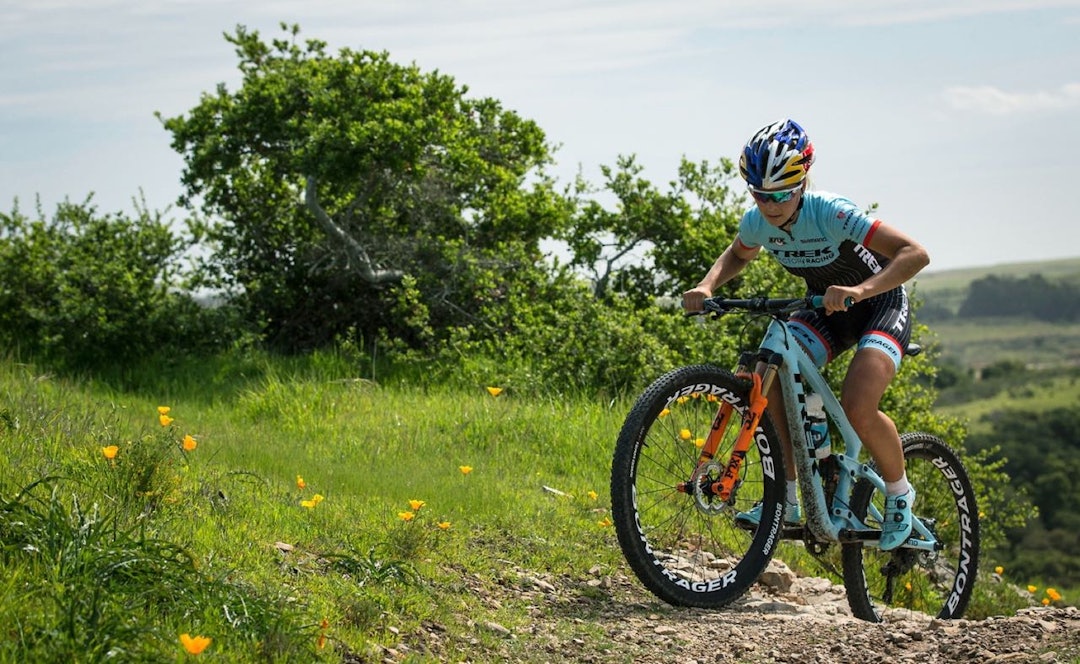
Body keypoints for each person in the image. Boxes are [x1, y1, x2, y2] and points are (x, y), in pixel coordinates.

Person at [681, 119, 930, 551]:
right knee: (768, 374)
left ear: (802, 183)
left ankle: (899, 492)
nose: (770, 204)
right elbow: (738, 254)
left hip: (879, 305)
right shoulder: (758, 221)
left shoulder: (831, 212)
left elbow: (916, 254)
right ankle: (790, 498)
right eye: (760, 194)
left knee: (858, 404)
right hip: (825, 308)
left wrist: (860, 290)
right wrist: (707, 286)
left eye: (780, 194)